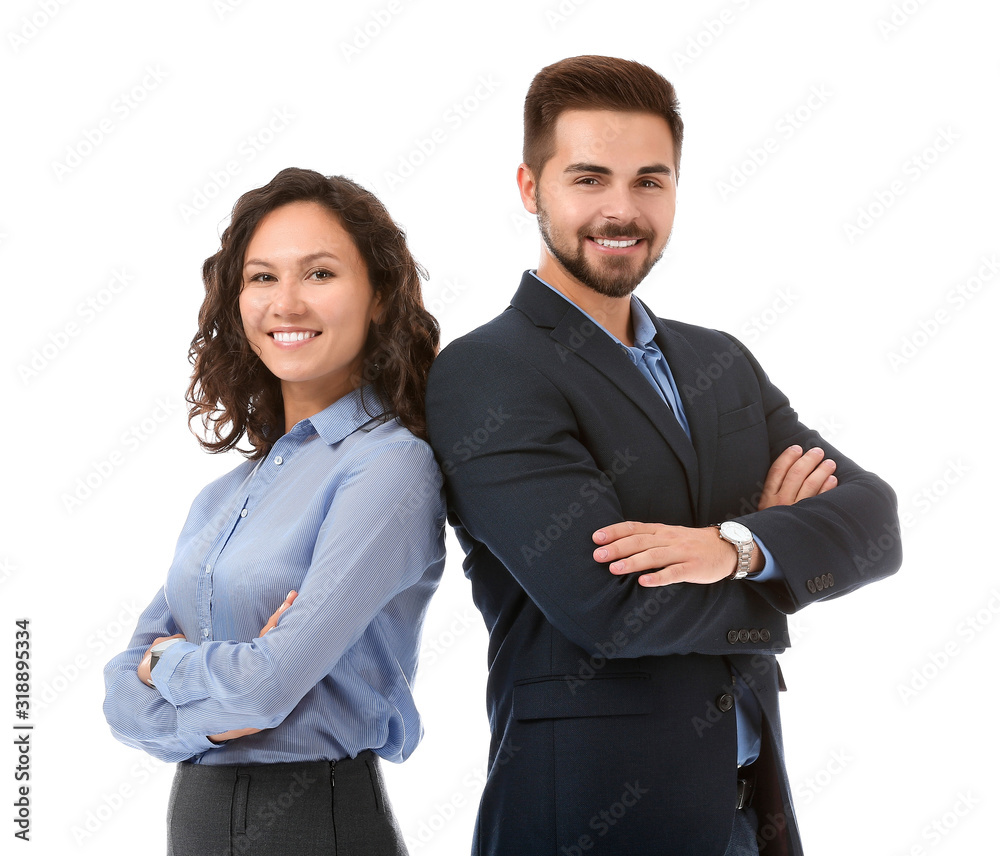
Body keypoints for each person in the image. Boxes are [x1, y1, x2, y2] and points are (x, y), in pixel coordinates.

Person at [424, 56, 902, 855]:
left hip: (751, 814)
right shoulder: (488, 371)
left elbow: (877, 525)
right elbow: (609, 610)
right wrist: (778, 567)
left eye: (650, 180)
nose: (622, 209)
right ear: (529, 188)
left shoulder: (720, 361)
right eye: (589, 178)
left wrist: (733, 547)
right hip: (592, 819)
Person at [103, 167, 445, 855]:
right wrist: (207, 687)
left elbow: (263, 690)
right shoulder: (226, 495)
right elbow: (118, 693)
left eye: (320, 274)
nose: (286, 302)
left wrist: (172, 667)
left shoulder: (388, 466)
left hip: (312, 822)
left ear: (379, 297)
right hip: (195, 822)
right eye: (262, 278)